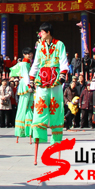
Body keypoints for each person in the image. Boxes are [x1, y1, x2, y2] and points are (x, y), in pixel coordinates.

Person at [29, 22, 69, 150]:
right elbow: (36, 62)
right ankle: (39, 135)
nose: (40, 34)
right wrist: (31, 78)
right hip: (42, 78)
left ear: (48, 32)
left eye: (42, 32)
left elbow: (63, 60)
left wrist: (62, 75)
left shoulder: (59, 44)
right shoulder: (40, 46)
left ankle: (56, 140)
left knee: (55, 106)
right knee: (40, 106)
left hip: (55, 78)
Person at [10, 47, 34, 138]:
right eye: (28, 54)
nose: (30, 55)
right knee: (23, 107)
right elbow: (25, 75)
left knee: (29, 106)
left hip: (29, 84)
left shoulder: (29, 63)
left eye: (31, 53)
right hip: (25, 85)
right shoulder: (24, 64)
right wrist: (29, 85)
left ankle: (29, 129)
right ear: (24, 55)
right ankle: (20, 130)